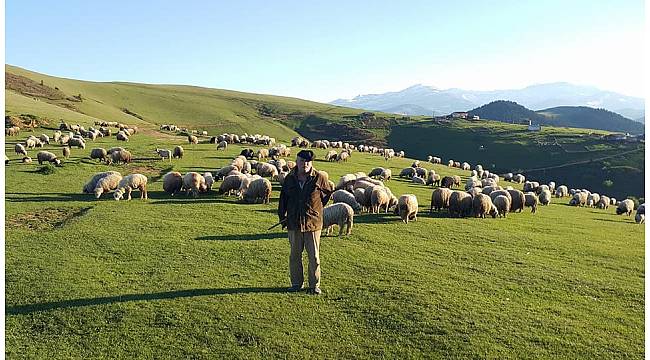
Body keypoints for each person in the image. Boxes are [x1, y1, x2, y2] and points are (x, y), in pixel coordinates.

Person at [277, 149, 333, 295]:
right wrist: (282, 217)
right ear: (297, 162)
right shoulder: (290, 178)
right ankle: (296, 284)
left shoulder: (319, 177)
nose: (305, 164)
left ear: (311, 162)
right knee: (295, 255)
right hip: (294, 222)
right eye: (302, 161)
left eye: (308, 161)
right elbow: (283, 199)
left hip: (312, 224)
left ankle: (314, 285)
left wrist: (315, 210)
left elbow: (326, 196)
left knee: (314, 256)